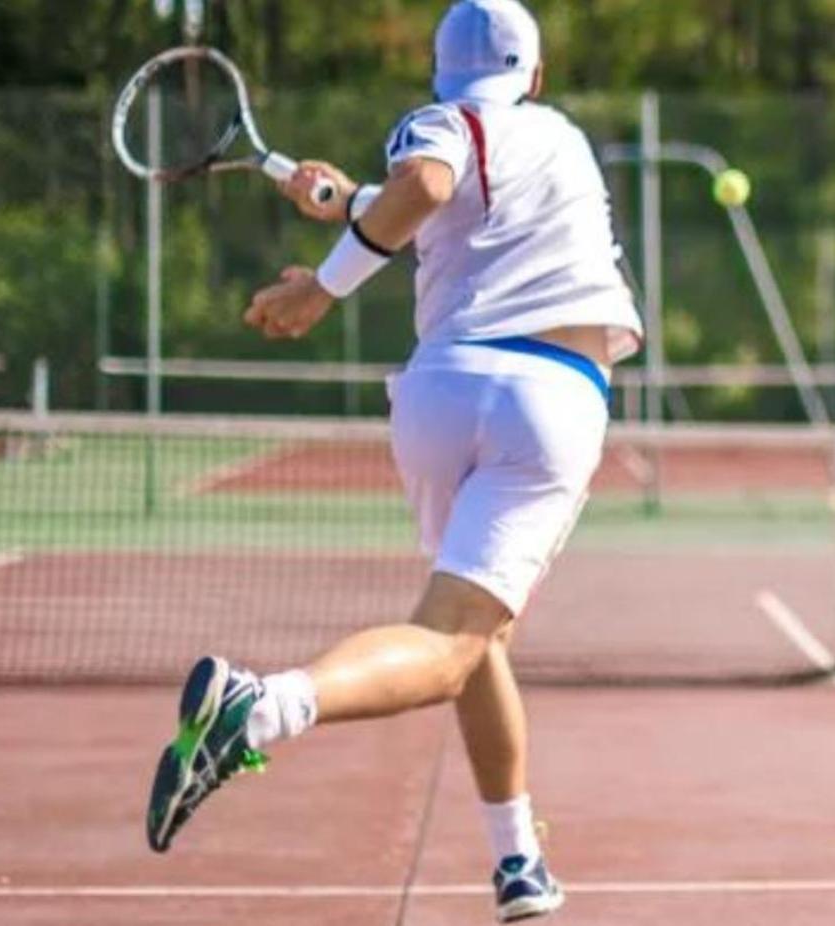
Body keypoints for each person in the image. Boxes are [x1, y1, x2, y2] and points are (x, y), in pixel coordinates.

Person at [142, 2, 642, 920]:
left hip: (441, 394)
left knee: (470, 633)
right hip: (547, 396)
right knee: (453, 643)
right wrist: (324, 284)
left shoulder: (446, 122)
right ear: (533, 73)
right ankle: (261, 708)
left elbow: (424, 194)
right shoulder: (555, 138)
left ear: (441, 72)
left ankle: (516, 857)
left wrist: (341, 212)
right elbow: (427, 181)